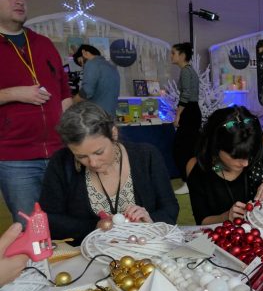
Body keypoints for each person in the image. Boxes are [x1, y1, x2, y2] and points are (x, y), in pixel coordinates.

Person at [39, 102, 179, 244]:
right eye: (81, 157)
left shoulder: (146, 156)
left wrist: (150, 219)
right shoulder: (62, 162)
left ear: (113, 133)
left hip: (145, 249)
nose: (92, 163)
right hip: (87, 256)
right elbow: (49, 220)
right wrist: (94, 226)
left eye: (99, 152)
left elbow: (170, 208)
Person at [0, 0, 72, 224]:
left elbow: (64, 94)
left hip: (59, 153)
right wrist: (13, 93)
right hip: (15, 158)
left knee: (69, 223)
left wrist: (70, 138)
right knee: (31, 229)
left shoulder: (43, 43)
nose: (18, 1)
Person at [171, 42, 201, 195]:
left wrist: (178, 115)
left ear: (182, 55)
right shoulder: (190, 70)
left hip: (189, 111)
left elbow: (186, 95)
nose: (171, 56)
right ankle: (190, 180)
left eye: (173, 53)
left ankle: (188, 181)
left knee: (181, 149)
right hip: (192, 111)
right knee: (187, 148)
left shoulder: (185, 71)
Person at [72, 44, 120, 115]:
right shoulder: (112, 67)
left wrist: (71, 102)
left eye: (81, 62)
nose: (83, 66)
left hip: (96, 117)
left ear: (84, 52)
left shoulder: (91, 63)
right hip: (110, 116)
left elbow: (86, 92)